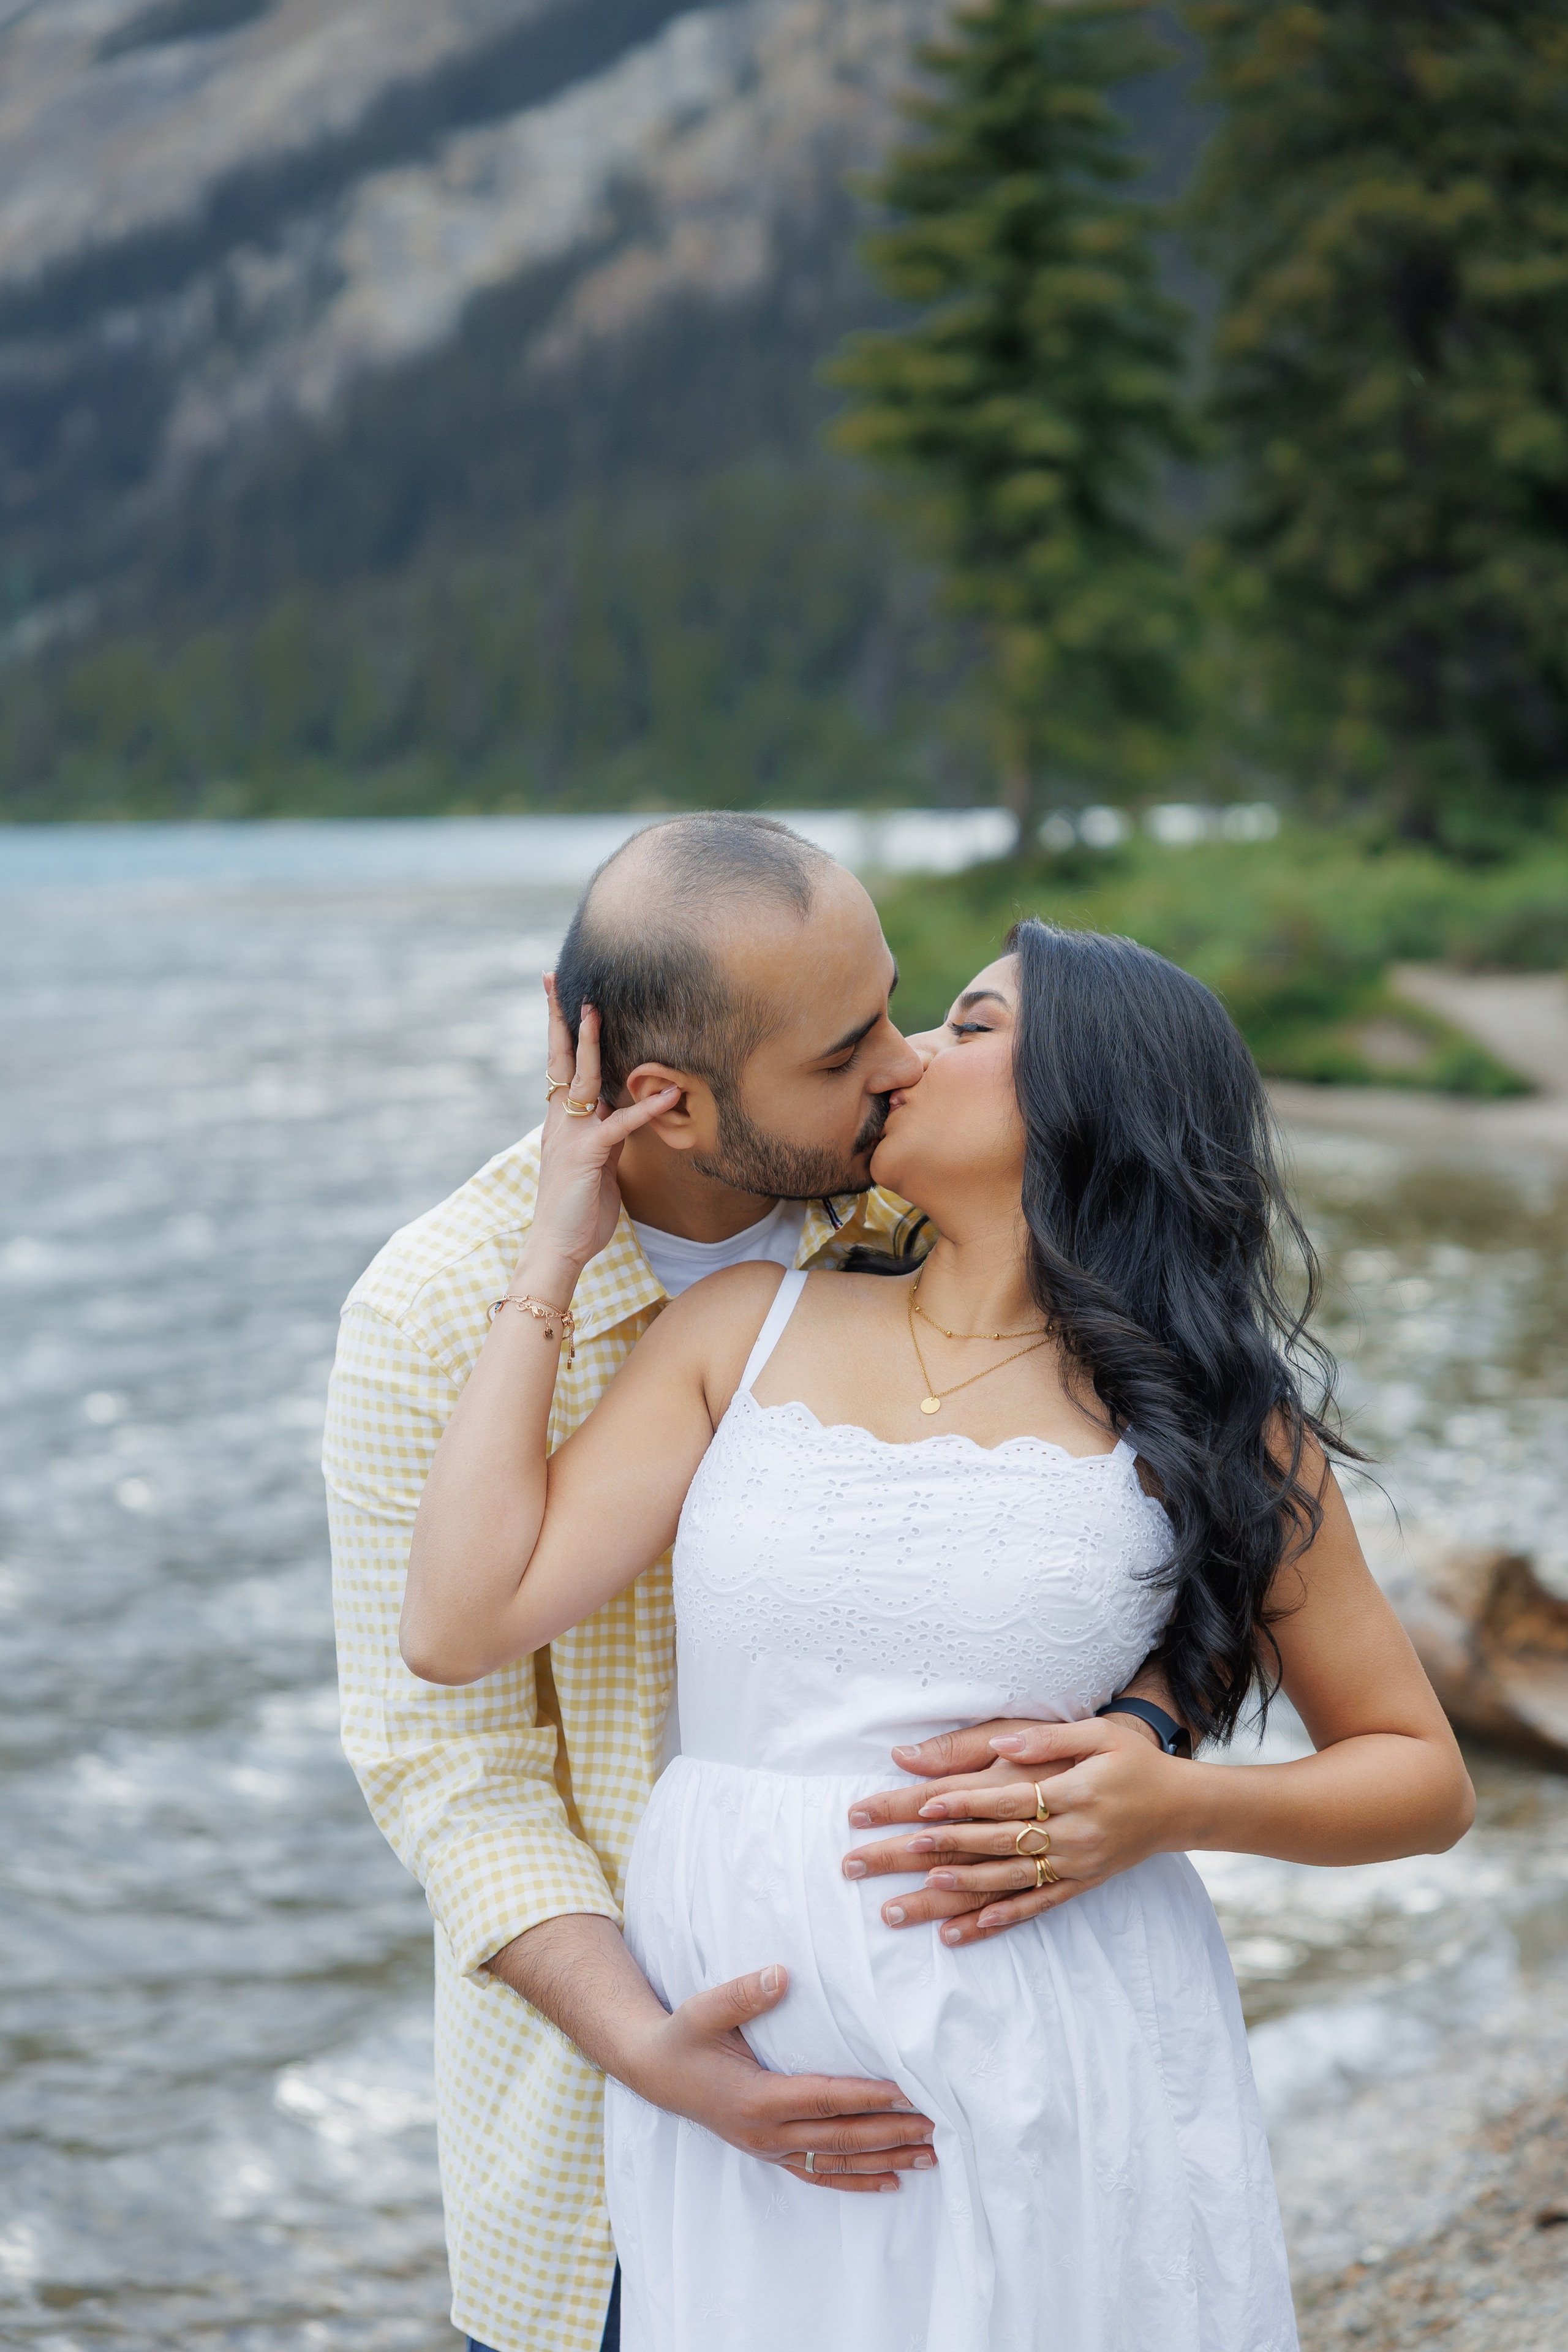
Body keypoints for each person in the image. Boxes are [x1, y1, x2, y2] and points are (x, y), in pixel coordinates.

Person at [401, 914, 1476, 2352]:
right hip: (758, 2086)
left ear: (1089, 1101)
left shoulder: (1214, 1420)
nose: (900, 1058)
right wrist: (557, 1237)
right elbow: (459, 1626)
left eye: (967, 1028)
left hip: (1059, 2038)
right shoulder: (744, 1325)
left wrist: (1167, 1804)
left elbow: (1417, 1777)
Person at [323, 815, 1183, 2352]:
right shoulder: (436, 1313)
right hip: (618, 2104)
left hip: (961, 2063)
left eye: (903, 1005)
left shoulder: (928, 1206)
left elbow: (1165, 1531)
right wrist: (652, 2048)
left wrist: (1144, 1730)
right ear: (663, 1098)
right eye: (848, 1047)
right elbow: (446, 1765)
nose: (904, 1063)